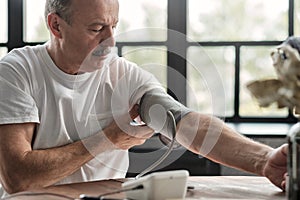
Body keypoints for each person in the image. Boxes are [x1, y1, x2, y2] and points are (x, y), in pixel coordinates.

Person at [0, 0, 287, 198]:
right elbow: (19, 179)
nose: (110, 41)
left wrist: (264, 160)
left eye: (114, 26)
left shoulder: (122, 73)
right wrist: (106, 139)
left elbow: (184, 123)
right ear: (56, 25)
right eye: (97, 28)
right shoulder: (16, 72)